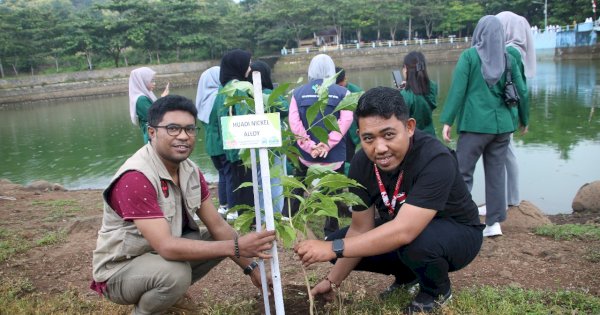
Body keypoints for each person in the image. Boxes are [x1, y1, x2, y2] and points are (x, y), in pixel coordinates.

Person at [294, 87, 483, 314]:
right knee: (342, 242)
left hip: (459, 233)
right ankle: (408, 277)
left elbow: (404, 231)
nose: (380, 148)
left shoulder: (435, 158)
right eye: (368, 138)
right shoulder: (362, 163)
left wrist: (331, 248)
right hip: (407, 230)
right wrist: (333, 281)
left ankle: (436, 291)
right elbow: (360, 228)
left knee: (412, 242)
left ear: (409, 127)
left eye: (389, 135)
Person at [90, 95, 276, 315]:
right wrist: (236, 247)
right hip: (119, 270)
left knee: (217, 238)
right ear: (152, 132)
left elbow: (218, 226)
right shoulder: (136, 178)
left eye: (189, 129)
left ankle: (167, 296)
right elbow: (167, 246)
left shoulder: (190, 171)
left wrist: (251, 267)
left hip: (156, 258)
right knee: (175, 274)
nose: (183, 136)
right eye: (172, 129)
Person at [440, 16, 528, 237]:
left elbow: (458, 90)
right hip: (502, 127)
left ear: (478, 33)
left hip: (475, 126)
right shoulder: (509, 57)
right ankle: (494, 224)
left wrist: (447, 120)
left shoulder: (470, 57)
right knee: (496, 173)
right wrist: (524, 119)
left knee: (462, 173)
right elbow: (522, 91)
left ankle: (460, 220)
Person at [288, 54, 353, 235]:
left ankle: (289, 218)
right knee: (333, 191)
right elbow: (345, 121)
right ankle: (330, 230)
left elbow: (294, 124)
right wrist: (327, 145)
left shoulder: (298, 93)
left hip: (307, 154)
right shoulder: (343, 93)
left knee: (299, 184)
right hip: (333, 155)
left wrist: (310, 146)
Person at [494, 11, 536, 213]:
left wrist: (524, 118)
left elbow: (522, 90)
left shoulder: (508, 52)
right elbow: (523, 89)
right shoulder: (518, 51)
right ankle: (511, 197)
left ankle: (510, 198)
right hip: (510, 112)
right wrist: (523, 116)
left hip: (504, 113)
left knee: (505, 155)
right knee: (508, 154)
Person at [214, 49, 255, 219]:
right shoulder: (238, 88)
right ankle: (250, 220)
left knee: (237, 183)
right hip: (242, 150)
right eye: (248, 63)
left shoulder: (222, 89)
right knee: (246, 186)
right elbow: (245, 120)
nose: (250, 67)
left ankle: (242, 217)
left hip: (230, 146)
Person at [248, 60, 289, 215]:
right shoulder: (269, 94)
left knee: (259, 180)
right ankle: (275, 215)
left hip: (253, 143)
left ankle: (263, 214)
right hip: (274, 145)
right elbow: (285, 109)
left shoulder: (246, 96)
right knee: (276, 180)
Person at [196, 66, 232, 217]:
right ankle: (232, 208)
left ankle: (223, 206)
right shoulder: (219, 96)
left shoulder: (202, 99)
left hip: (211, 146)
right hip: (223, 144)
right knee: (229, 175)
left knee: (222, 175)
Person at [399, 51, 438, 136]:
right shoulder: (432, 87)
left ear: (405, 69)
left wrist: (402, 91)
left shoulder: (405, 95)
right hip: (431, 138)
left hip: (414, 141)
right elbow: (421, 87)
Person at [128, 67, 169, 143]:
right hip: (153, 137)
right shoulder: (141, 99)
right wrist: (163, 99)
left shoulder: (145, 95)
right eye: (151, 81)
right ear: (142, 82)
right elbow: (154, 116)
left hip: (154, 135)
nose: (154, 83)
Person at [335, 66, 363, 174]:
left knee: (349, 159)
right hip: (335, 132)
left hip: (351, 133)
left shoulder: (357, 92)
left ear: (345, 79)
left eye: (341, 85)